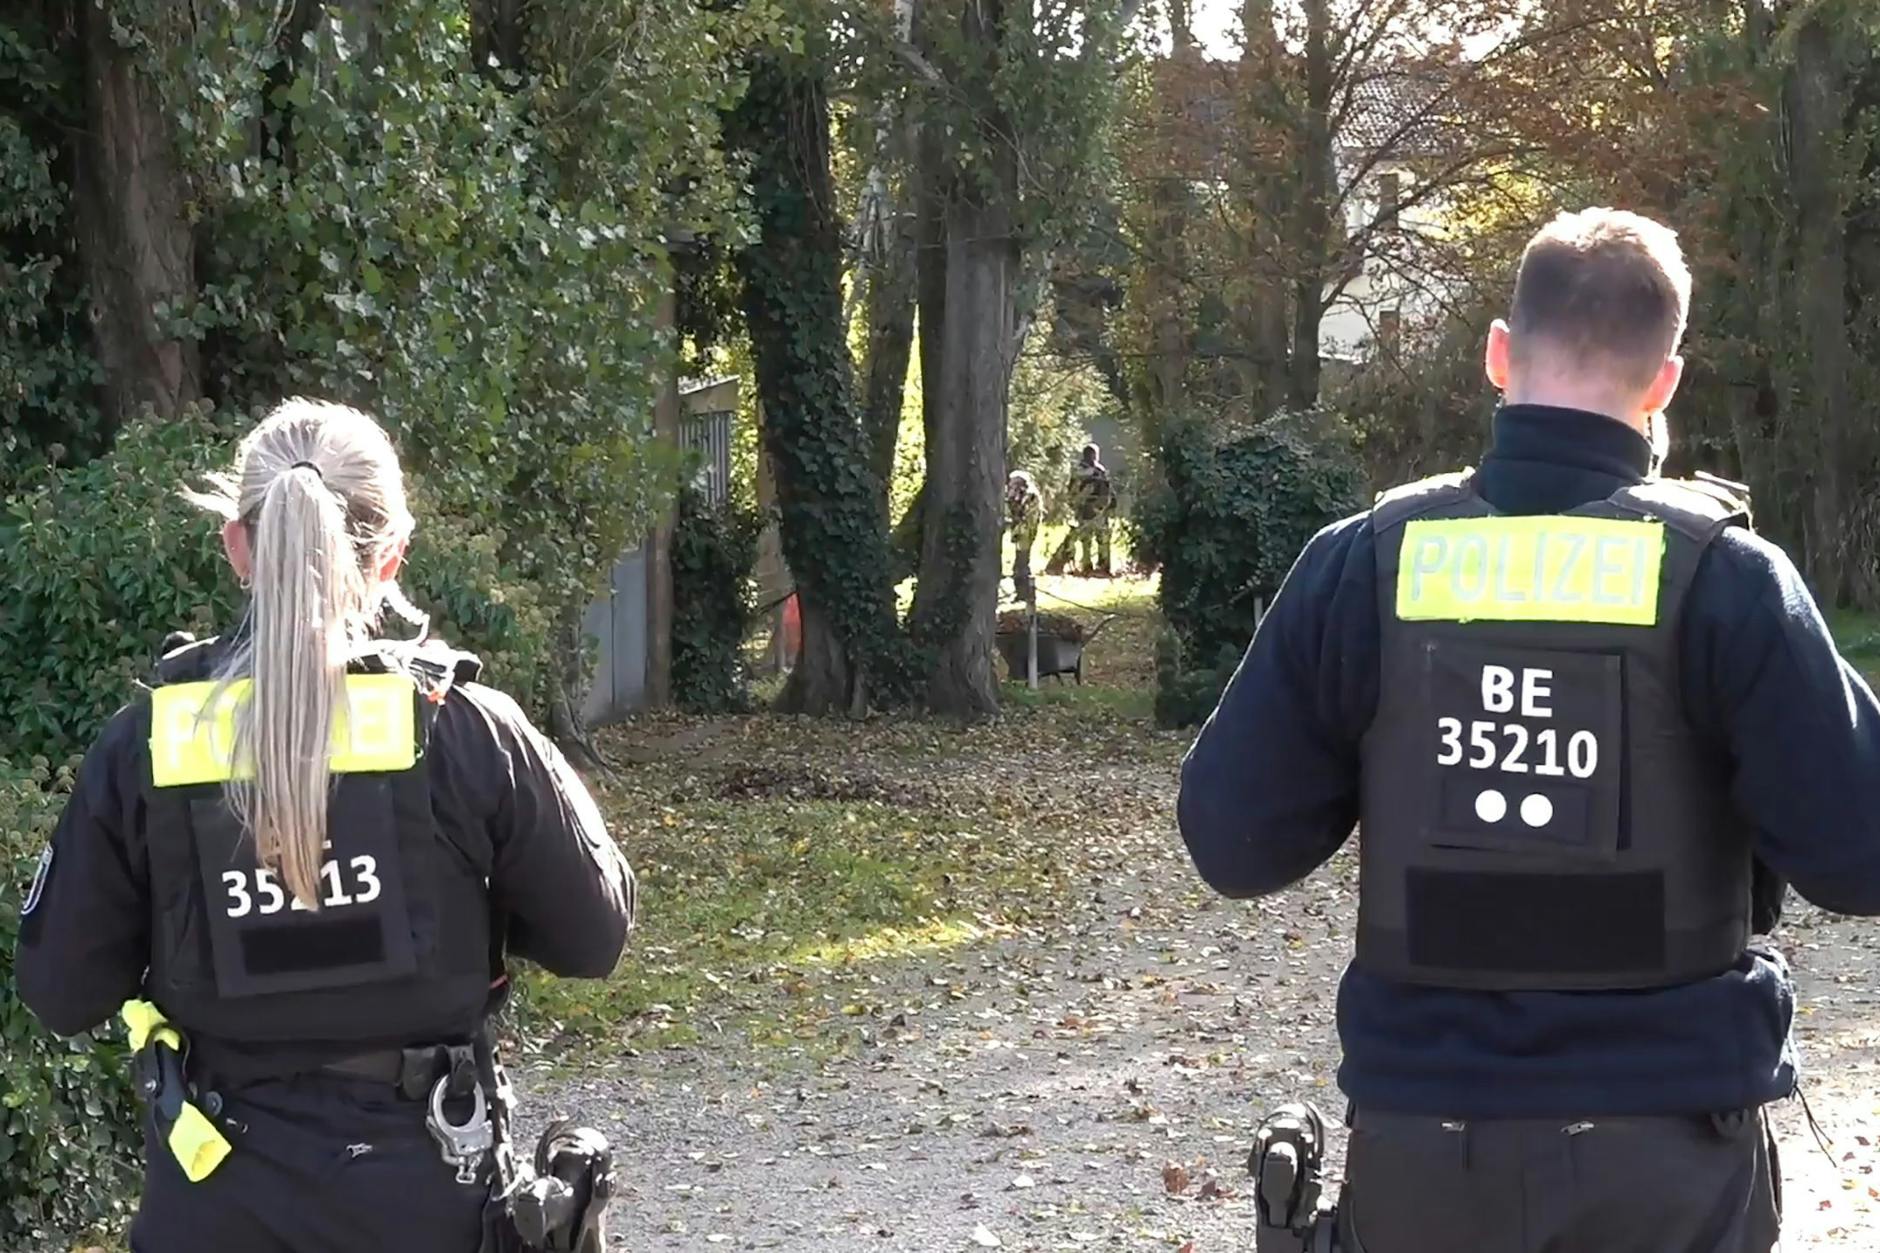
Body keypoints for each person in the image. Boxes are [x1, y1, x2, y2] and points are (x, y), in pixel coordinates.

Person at [1177, 208, 1880, 1252]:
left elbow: (1231, 842)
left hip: (1426, 1153)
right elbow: (1859, 855)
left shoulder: (1363, 566)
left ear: (1498, 355)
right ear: (1663, 384)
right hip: (1669, 1158)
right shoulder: (1723, 578)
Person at [15, 399, 636, 1253]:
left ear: (239, 546)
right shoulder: (466, 729)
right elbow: (593, 936)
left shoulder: (148, 747)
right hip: (426, 1200)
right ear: (393, 557)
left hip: (213, 1206)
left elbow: (60, 990)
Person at [1066, 443, 1114, 576]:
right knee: (1102, 539)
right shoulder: (1099, 470)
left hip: (1084, 509)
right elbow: (1107, 490)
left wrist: (1074, 505)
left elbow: (1071, 490)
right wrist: (1106, 506)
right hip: (1098, 509)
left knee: (1086, 539)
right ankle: (1103, 566)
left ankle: (1087, 565)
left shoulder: (1077, 471)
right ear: (1094, 455)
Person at [1006, 469, 1042, 603]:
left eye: (1014, 484)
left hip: (1025, 532)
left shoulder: (1029, 495)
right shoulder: (1022, 495)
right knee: (1019, 563)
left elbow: (1022, 514)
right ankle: (1021, 592)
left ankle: (1024, 593)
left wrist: (1013, 500)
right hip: (1021, 532)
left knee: (1021, 564)